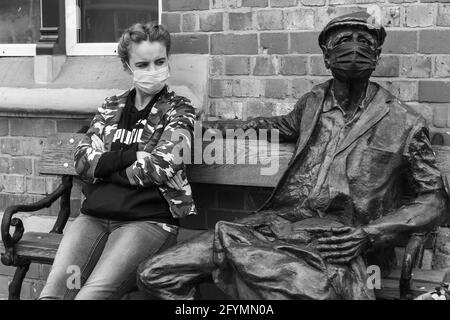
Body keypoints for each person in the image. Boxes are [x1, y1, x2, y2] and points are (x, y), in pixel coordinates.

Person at [136, 11, 447, 300]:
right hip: (277, 227)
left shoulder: (403, 122)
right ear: (327, 56)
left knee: (297, 288)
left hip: (339, 245)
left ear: (377, 56)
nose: (355, 49)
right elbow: (266, 126)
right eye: (342, 42)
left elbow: (434, 198)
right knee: (154, 273)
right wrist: (199, 128)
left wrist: (368, 235)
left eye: (365, 41)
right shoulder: (313, 103)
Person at [39, 22, 197, 300]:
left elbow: (159, 168)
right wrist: (132, 155)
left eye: (160, 61)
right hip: (94, 218)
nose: (153, 70)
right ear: (127, 66)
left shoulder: (180, 110)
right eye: (143, 63)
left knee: (89, 296)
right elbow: (82, 161)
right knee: (54, 294)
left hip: (146, 222)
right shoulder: (111, 107)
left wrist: (104, 164)